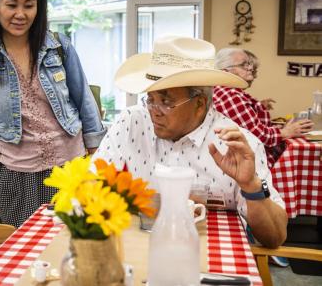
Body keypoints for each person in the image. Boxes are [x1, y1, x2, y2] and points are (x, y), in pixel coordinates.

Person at [94, 36, 287, 248]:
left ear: (200, 104)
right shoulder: (131, 122)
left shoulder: (236, 146)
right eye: (150, 99)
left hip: (207, 254)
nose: (153, 112)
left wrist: (251, 186)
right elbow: (91, 186)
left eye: (166, 101)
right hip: (134, 247)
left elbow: (275, 237)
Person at [0, 0, 105, 227]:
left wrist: (94, 156)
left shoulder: (59, 46)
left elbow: (84, 100)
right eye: (11, 4)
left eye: (29, 5)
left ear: (39, 7)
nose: (20, 13)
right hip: (18, 176)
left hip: (70, 168)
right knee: (25, 252)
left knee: (73, 242)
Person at [213, 48, 313, 168]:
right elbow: (261, 136)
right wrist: (287, 131)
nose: (250, 68)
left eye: (249, 64)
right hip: (252, 165)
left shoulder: (229, 92)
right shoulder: (229, 95)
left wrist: (284, 129)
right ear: (226, 71)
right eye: (244, 64)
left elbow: (253, 129)